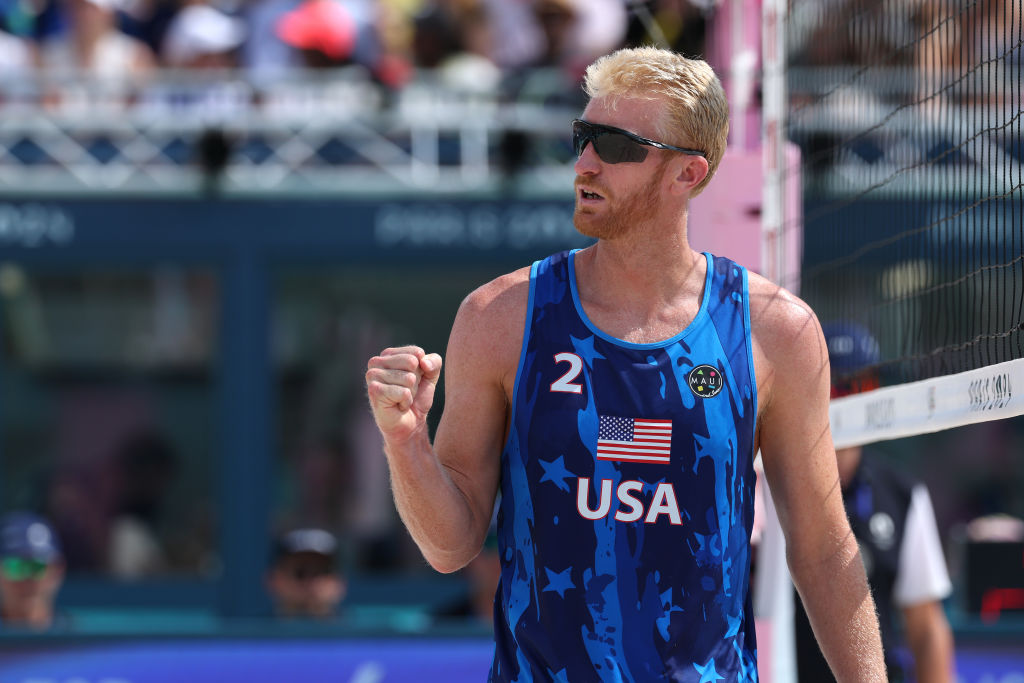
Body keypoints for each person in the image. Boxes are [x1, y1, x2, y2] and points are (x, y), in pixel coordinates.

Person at [365, 46, 886, 680]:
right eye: (583, 136)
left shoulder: (775, 329)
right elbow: (451, 548)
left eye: (615, 145)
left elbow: (824, 551)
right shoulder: (501, 316)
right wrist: (405, 441)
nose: (584, 163)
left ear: (687, 174)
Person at [794, 321, 954, 682]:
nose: (843, 398)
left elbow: (926, 627)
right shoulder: (766, 485)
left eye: (857, 385)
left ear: (876, 389)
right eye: (831, 386)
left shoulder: (902, 493)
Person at [0, 511, 67, 630]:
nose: (27, 578)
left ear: (57, 571)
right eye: (16, 566)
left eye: (36, 566)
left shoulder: (79, 642)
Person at [265, 527, 346, 619]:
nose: (312, 581)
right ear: (274, 580)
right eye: (301, 572)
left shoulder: (360, 631)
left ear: (339, 582)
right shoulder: (253, 632)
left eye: (323, 571)